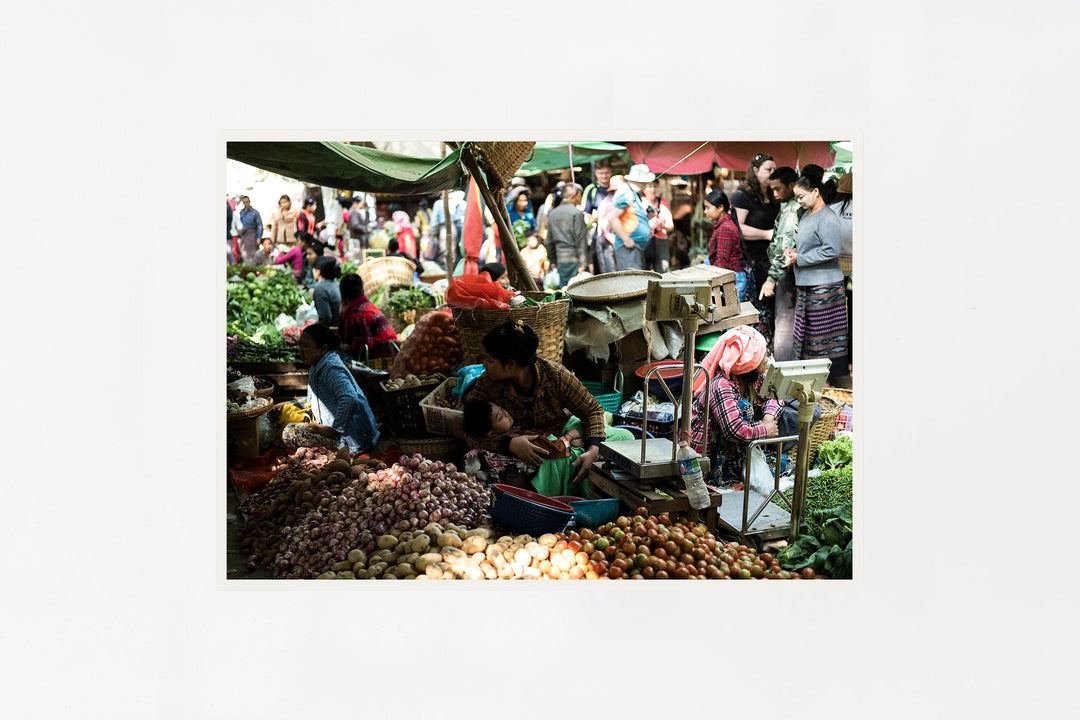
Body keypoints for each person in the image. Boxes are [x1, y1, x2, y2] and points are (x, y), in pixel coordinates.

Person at [463, 320, 605, 489]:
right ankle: (530, 497)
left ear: (510, 365)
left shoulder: (556, 376)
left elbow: (592, 410)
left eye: (489, 360)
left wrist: (593, 450)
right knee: (473, 461)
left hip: (554, 446)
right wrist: (509, 444)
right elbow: (470, 432)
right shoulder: (486, 384)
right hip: (518, 457)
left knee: (620, 440)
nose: (484, 365)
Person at [690, 325, 783, 487]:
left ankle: (740, 471)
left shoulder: (754, 379)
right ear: (751, 362)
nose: (767, 359)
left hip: (737, 454)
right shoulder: (722, 385)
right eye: (764, 355)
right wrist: (764, 429)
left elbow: (776, 395)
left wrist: (769, 417)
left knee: (785, 464)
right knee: (743, 407)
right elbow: (733, 429)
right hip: (707, 462)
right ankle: (723, 478)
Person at [782, 173, 848, 376]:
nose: (799, 201)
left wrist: (799, 258)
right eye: (797, 197)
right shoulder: (806, 215)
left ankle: (825, 381)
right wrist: (793, 251)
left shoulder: (828, 217)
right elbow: (808, 246)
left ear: (816, 192)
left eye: (801, 196)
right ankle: (811, 379)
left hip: (825, 288)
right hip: (807, 284)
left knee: (822, 340)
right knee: (809, 338)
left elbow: (831, 250)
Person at [463, 399, 590, 498]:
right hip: (534, 467)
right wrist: (569, 437)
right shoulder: (517, 437)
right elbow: (553, 450)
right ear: (490, 433)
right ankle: (530, 498)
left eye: (502, 409)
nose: (506, 413)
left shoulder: (514, 432)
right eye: (500, 417)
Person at [295, 323, 380, 453]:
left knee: (290, 433)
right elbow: (312, 400)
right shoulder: (316, 367)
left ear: (323, 349)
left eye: (306, 346)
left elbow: (349, 398)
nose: (301, 351)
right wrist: (286, 405)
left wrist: (333, 429)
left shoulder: (331, 368)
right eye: (300, 345)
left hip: (351, 438)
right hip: (337, 431)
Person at [760, 167, 802, 361]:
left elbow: (783, 247)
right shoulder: (792, 207)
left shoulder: (791, 211)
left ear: (791, 186)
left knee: (784, 324)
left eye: (778, 189)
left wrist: (771, 278)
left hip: (786, 274)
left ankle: (783, 370)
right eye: (772, 189)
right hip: (792, 273)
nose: (775, 193)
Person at [828, 171, 853, 384]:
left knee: (837, 321)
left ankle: (838, 366)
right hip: (857, 272)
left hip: (835, 271)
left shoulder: (831, 211)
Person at [338, 273, 398, 360]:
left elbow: (363, 345)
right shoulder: (367, 305)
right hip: (392, 351)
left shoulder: (355, 315)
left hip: (382, 356)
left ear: (342, 296)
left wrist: (345, 347)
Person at [609, 164, 654, 271]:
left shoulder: (632, 193)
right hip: (628, 247)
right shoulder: (625, 193)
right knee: (632, 278)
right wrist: (626, 239)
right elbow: (613, 218)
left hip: (634, 247)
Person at [545, 182, 589, 287]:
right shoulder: (576, 213)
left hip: (560, 259)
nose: (580, 199)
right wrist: (583, 263)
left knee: (563, 290)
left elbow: (549, 241)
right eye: (580, 195)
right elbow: (580, 239)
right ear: (575, 195)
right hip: (575, 259)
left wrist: (553, 260)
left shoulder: (553, 213)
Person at [593, 174, 624, 274]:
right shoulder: (606, 202)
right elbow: (601, 221)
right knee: (610, 271)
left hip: (621, 239)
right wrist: (609, 236)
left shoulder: (623, 201)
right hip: (607, 241)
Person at [642, 180, 674, 272]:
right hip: (644, 240)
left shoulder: (663, 202)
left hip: (660, 240)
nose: (653, 189)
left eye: (655, 186)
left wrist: (661, 225)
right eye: (650, 187)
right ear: (644, 189)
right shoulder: (640, 202)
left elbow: (670, 226)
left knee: (662, 269)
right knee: (643, 269)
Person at [311, 256, 342, 326]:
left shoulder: (320, 288)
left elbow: (325, 317)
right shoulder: (337, 284)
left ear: (318, 271)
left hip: (334, 327)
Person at [236, 195, 263, 264]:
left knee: (252, 254)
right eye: (244, 202)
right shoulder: (242, 212)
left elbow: (259, 225)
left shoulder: (255, 212)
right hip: (244, 234)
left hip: (252, 234)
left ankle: (253, 267)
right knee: (243, 253)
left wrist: (259, 237)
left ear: (249, 202)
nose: (246, 204)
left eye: (247, 202)